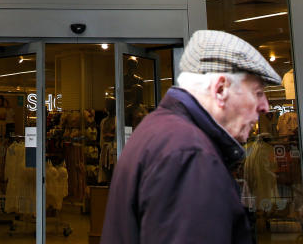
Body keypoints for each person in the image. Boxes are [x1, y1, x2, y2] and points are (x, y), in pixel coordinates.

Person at [101, 30, 280, 244]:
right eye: (257, 92)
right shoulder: (191, 155)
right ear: (221, 89)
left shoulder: (158, 130)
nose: (265, 106)